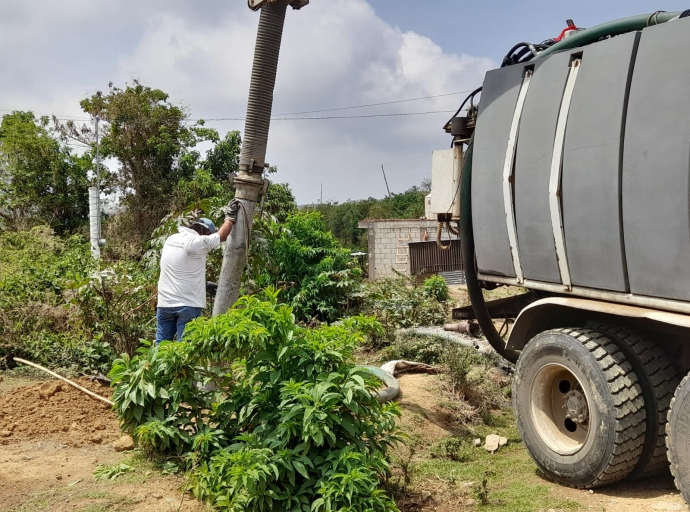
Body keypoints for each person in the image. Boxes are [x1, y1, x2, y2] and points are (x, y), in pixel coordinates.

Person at [155, 201, 240, 343]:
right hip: (187, 305)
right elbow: (222, 235)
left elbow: (179, 269)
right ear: (205, 233)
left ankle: (156, 366)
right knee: (185, 350)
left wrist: (203, 285)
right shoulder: (196, 242)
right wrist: (230, 216)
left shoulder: (171, 239)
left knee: (161, 347)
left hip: (165, 304)